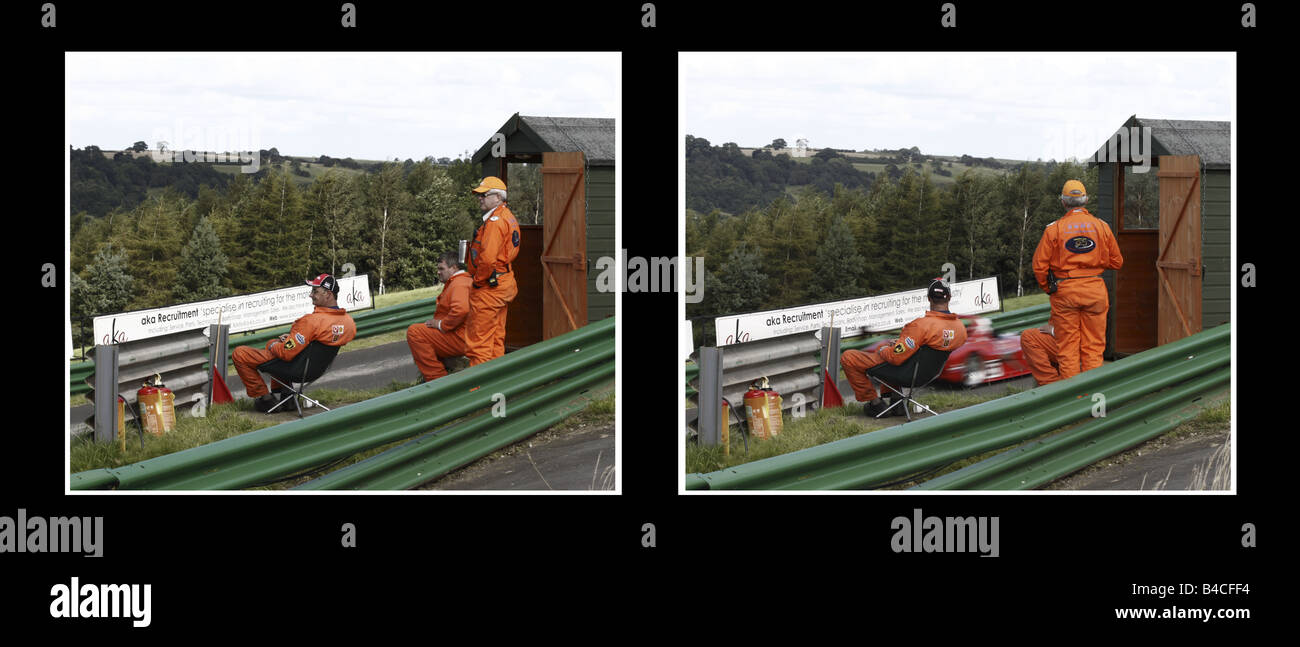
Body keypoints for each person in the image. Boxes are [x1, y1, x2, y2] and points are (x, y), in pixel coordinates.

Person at [1031, 179, 1123, 381]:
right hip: (1095, 290)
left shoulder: (1054, 229)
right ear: (1086, 200)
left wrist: (1049, 288)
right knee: (1093, 349)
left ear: (1063, 202)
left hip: (1065, 292)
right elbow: (1117, 262)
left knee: (1068, 350)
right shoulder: (1102, 227)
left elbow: (1039, 266)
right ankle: (1093, 399)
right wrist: (1095, 262)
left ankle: (1073, 402)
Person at [840, 278, 968, 416]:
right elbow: (935, 343)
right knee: (888, 347)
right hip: (927, 375)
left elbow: (894, 358)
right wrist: (901, 342)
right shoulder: (960, 329)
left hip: (906, 373)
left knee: (849, 357)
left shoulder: (920, 326)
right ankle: (897, 401)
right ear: (949, 297)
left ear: (929, 298)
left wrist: (884, 349)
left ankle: (876, 404)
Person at [231, 273, 358, 412]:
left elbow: (285, 353)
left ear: (327, 294)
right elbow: (320, 340)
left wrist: (274, 345)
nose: (311, 295)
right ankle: (286, 396)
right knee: (276, 344)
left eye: (315, 291)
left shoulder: (311, 321)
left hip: (295, 369)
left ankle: (265, 399)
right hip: (316, 370)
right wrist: (292, 338)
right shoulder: (349, 323)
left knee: (241, 353)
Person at [464, 176, 521, 366]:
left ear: (497, 197)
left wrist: (478, 282)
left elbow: (487, 260)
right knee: (496, 340)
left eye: (483, 195)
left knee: (479, 345)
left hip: (489, 287)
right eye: (479, 195)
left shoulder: (495, 222)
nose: (479, 198)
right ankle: (496, 386)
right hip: (502, 283)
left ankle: (476, 392)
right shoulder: (507, 217)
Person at [406, 251, 472, 383]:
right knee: (424, 332)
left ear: (454, 268)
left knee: (415, 332)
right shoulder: (460, 281)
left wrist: (441, 325)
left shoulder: (459, 283)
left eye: (441, 268)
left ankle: (438, 382)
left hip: (461, 338)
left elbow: (461, 309)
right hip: (461, 335)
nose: (438, 272)